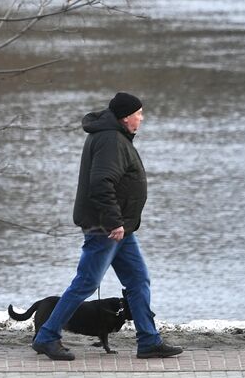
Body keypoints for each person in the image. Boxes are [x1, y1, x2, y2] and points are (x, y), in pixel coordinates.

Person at [32, 92, 186, 362]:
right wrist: (114, 221)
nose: (142, 118)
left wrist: (121, 223)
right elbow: (101, 183)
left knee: (138, 280)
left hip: (121, 229)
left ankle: (149, 341)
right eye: (139, 113)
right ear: (126, 117)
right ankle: (47, 336)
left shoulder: (113, 136)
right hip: (107, 228)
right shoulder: (111, 140)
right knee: (86, 283)